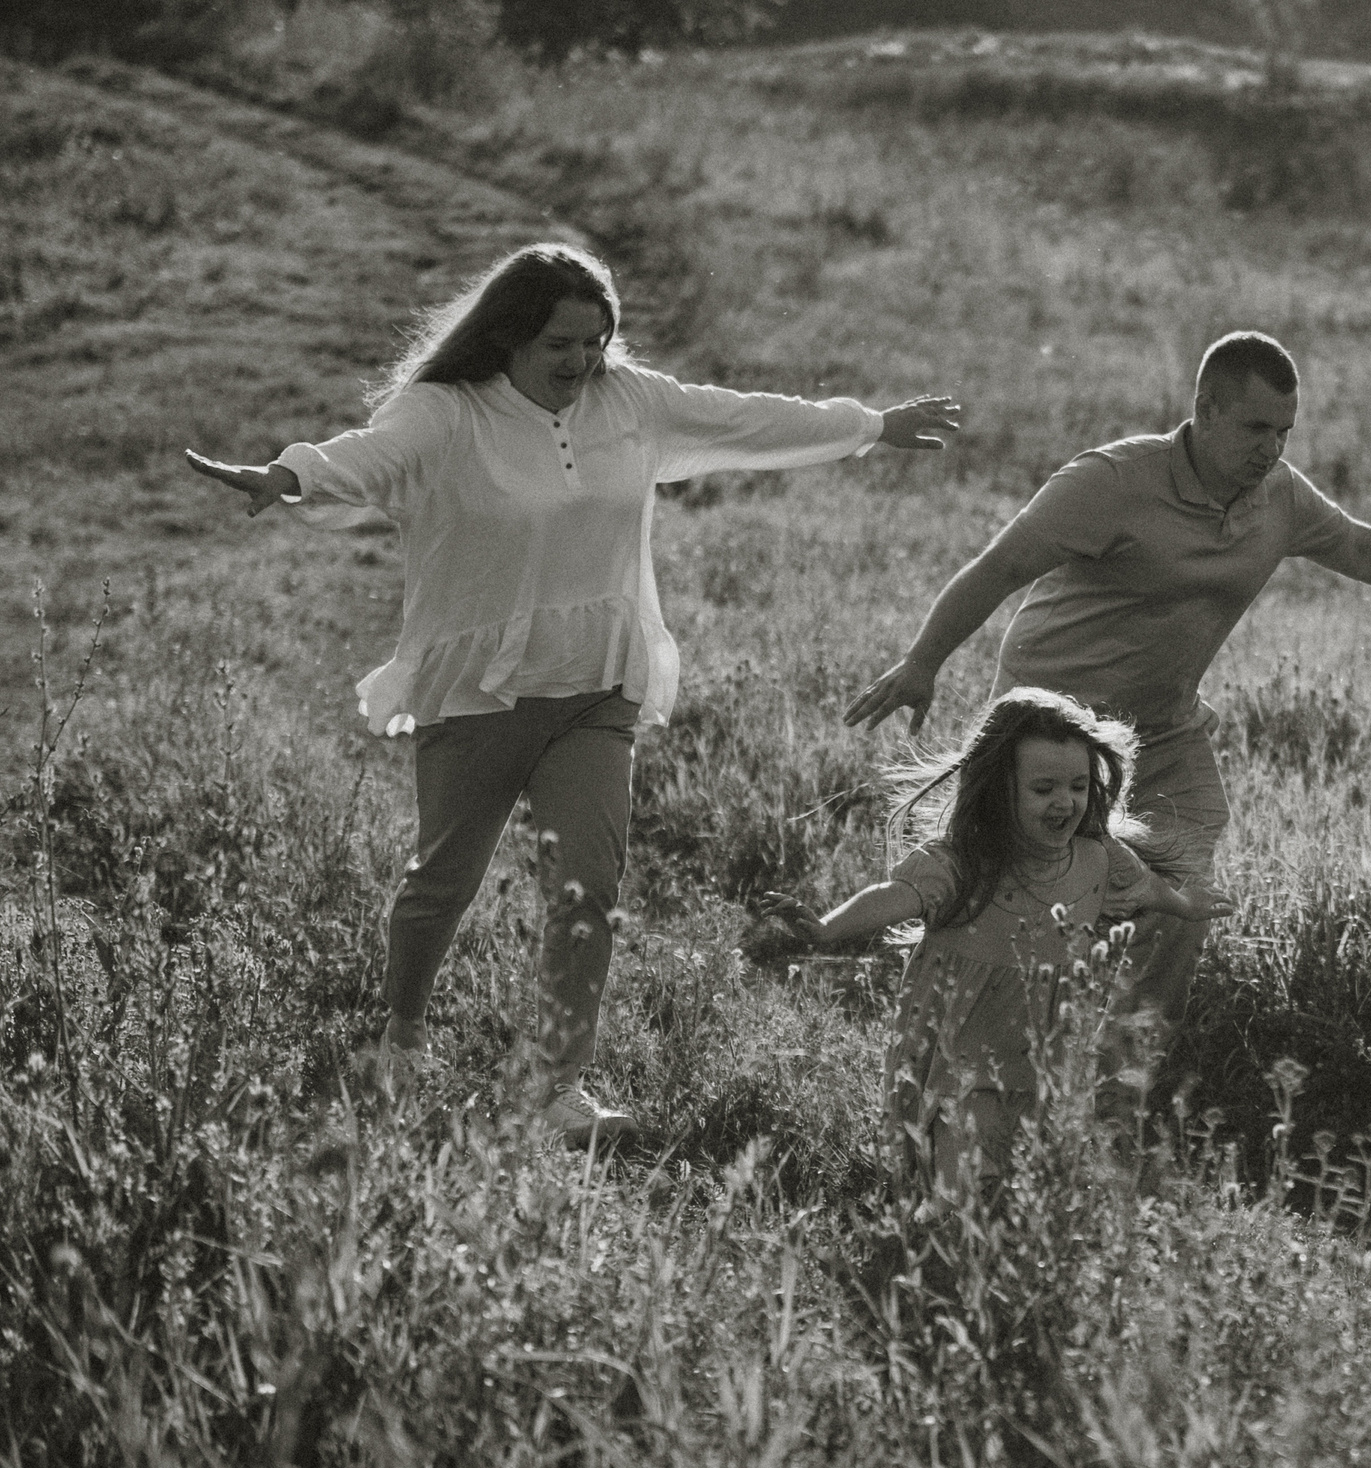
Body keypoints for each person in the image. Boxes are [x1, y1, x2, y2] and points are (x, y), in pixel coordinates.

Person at [185, 242, 961, 1143]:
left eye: (597, 341)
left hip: (597, 684)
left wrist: (871, 425)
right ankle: (402, 1036)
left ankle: (554, 1085)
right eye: (561, 343)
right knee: (443, 880)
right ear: (509, 337)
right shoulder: (448, 413)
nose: (583, 361)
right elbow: (369, 456)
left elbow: (745, 417)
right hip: (480, 691)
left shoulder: (629, 402)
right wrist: (286, 475)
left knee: (589, 886)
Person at [840, 330, 1371, 1045]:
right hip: (1054, 732)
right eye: (1256, 428)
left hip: (1163, 730)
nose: (1272, 449)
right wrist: (922, 663)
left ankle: (1127, 1059)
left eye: (1285, 431)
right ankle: (968, 1035)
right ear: (1206, 410)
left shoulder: (1278, 495)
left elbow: (1358, 544)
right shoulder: (1111, 482)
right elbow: (999, 567)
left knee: (1178, 895)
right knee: (1012, 889)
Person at [756, 687, 1233, 1191]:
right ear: (1000, 790)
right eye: (1043, 788)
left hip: (1048, 1056)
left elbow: (1146, 888)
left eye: (1078, 785)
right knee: (964, 1180)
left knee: (1035, 1178)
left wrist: (1186, 905)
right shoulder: (966, 864)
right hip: (963, 1052)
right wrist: (826, 928)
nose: (1065, 801)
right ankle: (944, 1223)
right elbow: (896, 896)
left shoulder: (1098, 860)